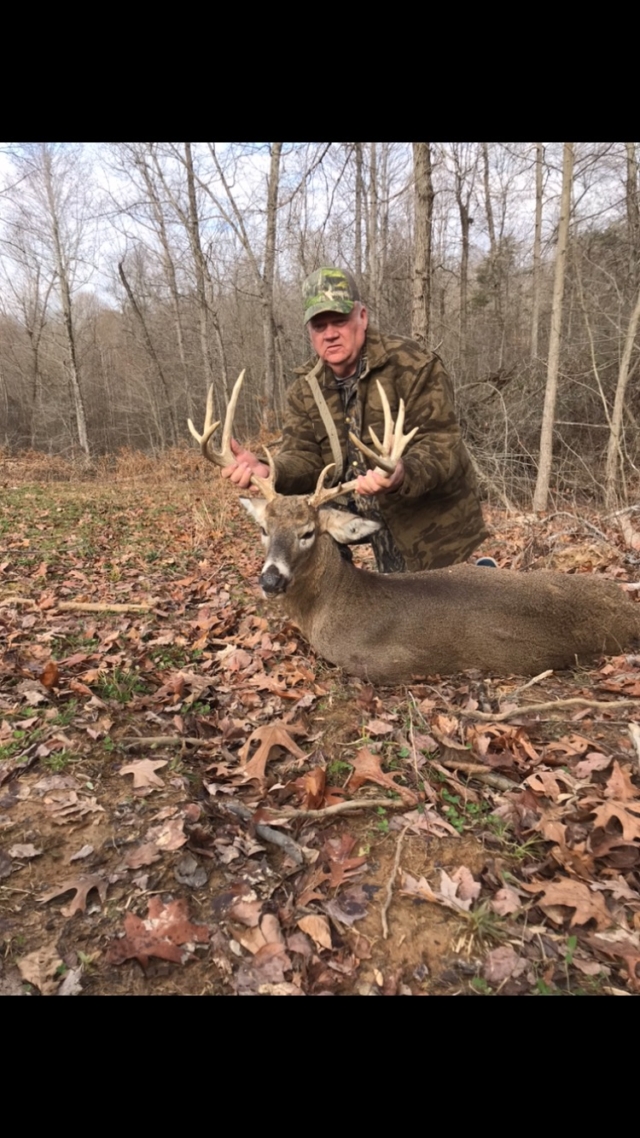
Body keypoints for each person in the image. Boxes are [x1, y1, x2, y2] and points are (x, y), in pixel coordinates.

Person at [222, 266, 489, 572]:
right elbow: (304, 456)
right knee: (302, 523)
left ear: (362, 317)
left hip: (424, 510)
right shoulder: (305, 388)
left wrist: (403, 472)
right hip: (354, 502)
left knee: (423, 603)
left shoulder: (413, 365)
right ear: (309, 332)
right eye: (319, 326)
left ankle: (477, 578)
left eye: (339, 321)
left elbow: (442, 444)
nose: (330, 333)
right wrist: (270, 469)